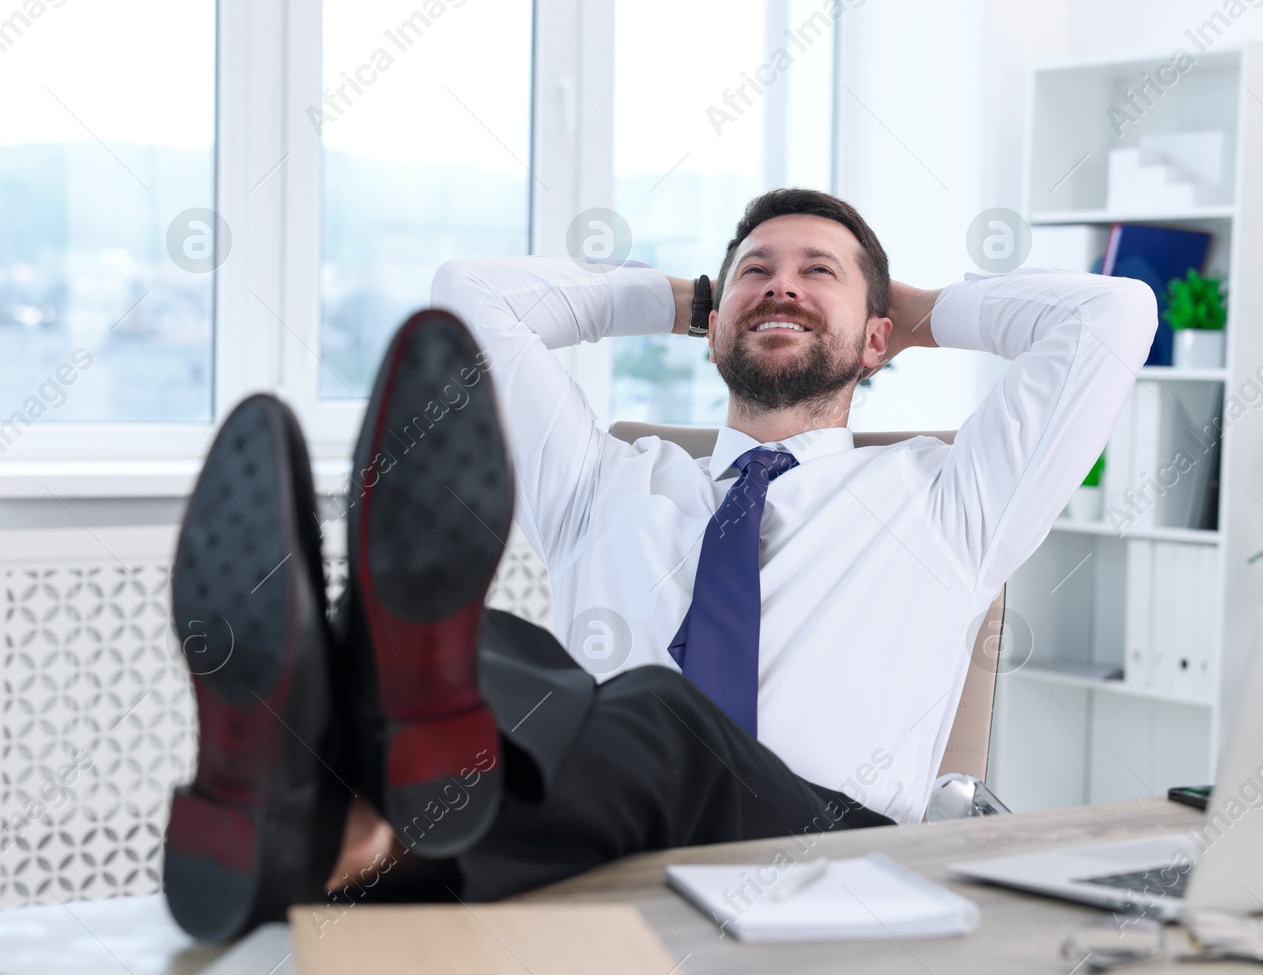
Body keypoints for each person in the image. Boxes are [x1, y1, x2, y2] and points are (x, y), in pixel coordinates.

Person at [161, 188, 1156, 942]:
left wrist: (917, 309)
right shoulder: (611, 479)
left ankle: (323, 802)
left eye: (820, 273)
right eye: (757, 269)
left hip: (828, 852)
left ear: (877, 336)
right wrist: (685, 296)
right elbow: (469, 299)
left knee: (654, 707)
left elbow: (1110, 318)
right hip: (606, 834)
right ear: (715, 324)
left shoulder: (948, 497)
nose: (783, 284)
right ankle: (339, 820)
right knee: (499, 655)